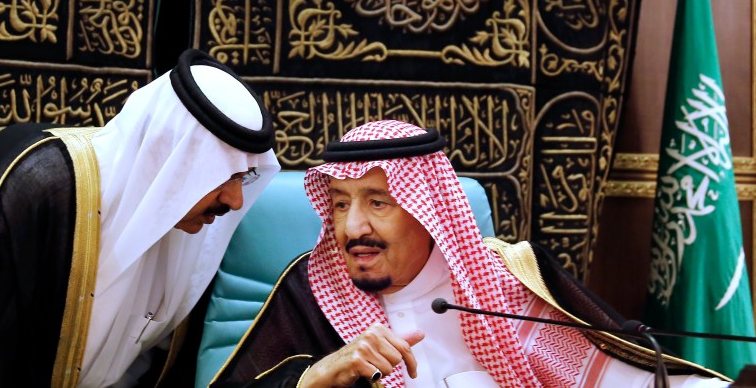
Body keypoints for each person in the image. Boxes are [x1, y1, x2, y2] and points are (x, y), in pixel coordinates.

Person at [209, 120, 731, 388]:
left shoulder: (505, 284)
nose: (351, 227)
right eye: (340, 204)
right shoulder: (311, 292)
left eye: (377, 202)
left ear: (427, 208)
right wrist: (316, 377)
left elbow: (625, 378)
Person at [0, 49, 281, 387]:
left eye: (244, 177)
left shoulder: (199, 240)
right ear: (172, 156)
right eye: (225, 174)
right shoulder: (41, 187)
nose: (235, 200)